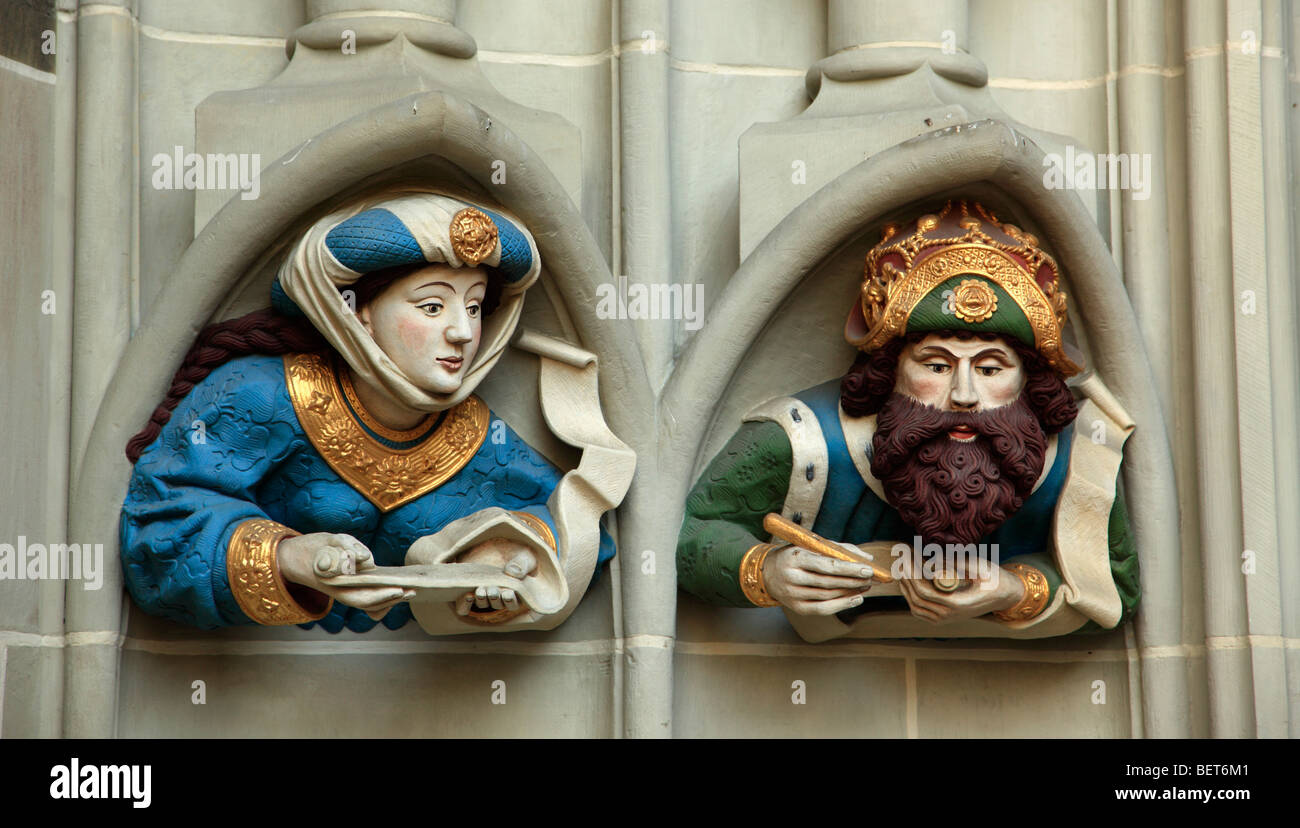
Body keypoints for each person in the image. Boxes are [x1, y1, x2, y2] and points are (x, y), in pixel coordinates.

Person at [121, 190, 615, 633]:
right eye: (431, 307)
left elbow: (579, 532)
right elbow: (156, 532)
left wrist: (506, 552)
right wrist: (290, 557)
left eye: (474, 307)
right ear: (357, 312)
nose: (463, 333)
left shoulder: (476, 434)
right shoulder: (262, 394)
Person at [676, 200, 1139, 640]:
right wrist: (765, 571)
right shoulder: (802, 440)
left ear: (1028, 382)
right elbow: (687, 534)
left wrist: (1016, 590)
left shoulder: (1076, 457)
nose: (963, 395)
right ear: (888, 371)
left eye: (990, 369)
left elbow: (1117, 585)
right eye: (936, 366)